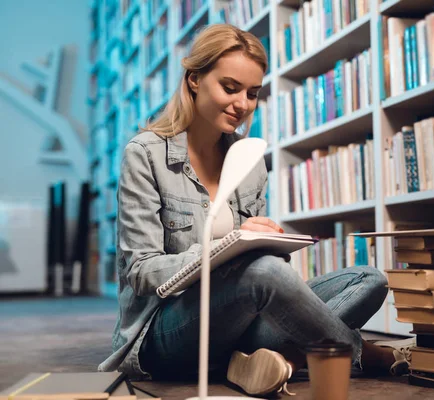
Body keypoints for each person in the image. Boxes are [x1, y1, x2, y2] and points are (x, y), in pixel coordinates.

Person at [98, 23, 414, 396]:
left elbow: (262, 274)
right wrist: (230, 245)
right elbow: (141, 271)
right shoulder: (146, 155)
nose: (242, 105)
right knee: (264, 272)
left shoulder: (249, 159)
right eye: (229, 88)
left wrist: (265, 241)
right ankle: (360, 354)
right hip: (165, 333)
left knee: (368, 280)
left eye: (252, 93)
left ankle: (267, 362)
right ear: (195, 79)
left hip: (238, 323)